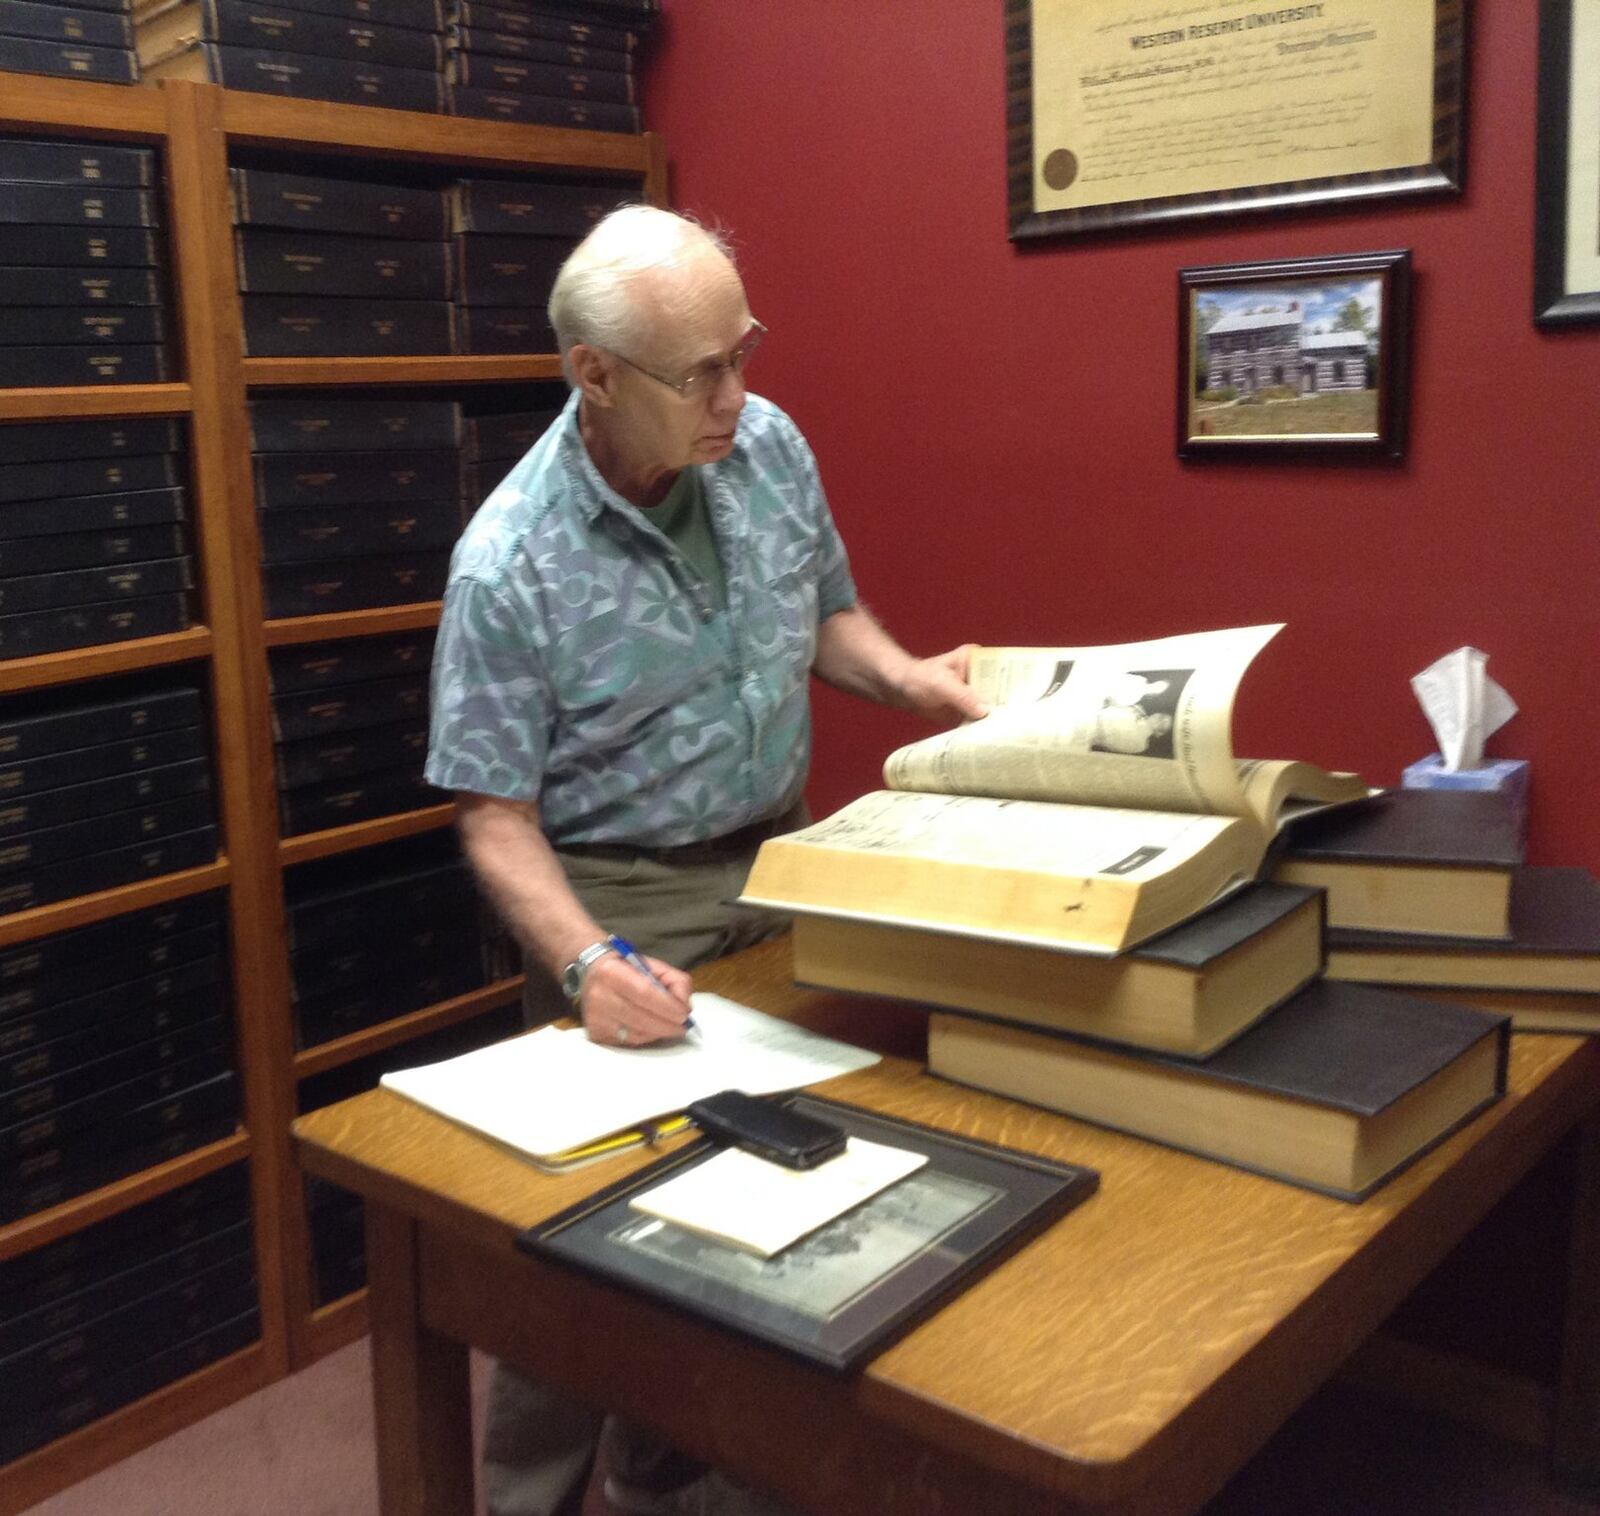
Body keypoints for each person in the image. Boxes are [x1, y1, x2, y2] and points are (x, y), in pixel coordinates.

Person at [425, 205, 986, 1516]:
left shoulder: (766, 444)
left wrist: (904, 678)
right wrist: (582, 963)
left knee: (770, 1200)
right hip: (621, 902)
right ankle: (532, 1498)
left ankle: (666, 1459)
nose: (739, 394)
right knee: (582, 1242)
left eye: (744, 351)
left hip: (782, 871)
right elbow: (492, 813)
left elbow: (823, 618)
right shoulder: (510, 564)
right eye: (705, 373)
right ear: (595, 375)